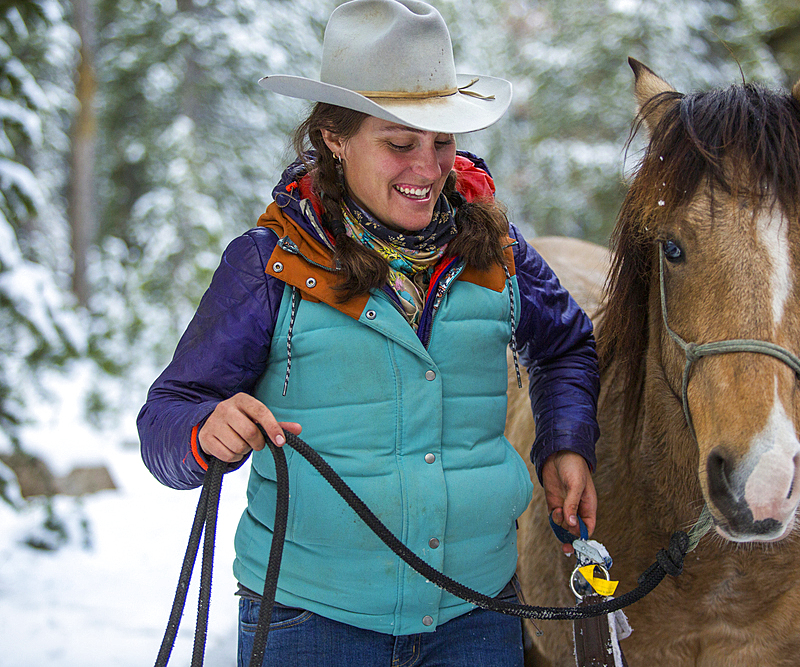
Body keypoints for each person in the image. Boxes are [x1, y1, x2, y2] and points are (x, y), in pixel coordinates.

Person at [138, 1, 600, 665]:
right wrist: (203, 428)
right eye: (399, 142)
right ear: (335, 135)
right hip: (311, 624)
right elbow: (167, 415)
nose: (428, 167)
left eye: (441, 142)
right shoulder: (270, 261)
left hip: (477, 619)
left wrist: (565, 440)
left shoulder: (497, 251)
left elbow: (565, 347)